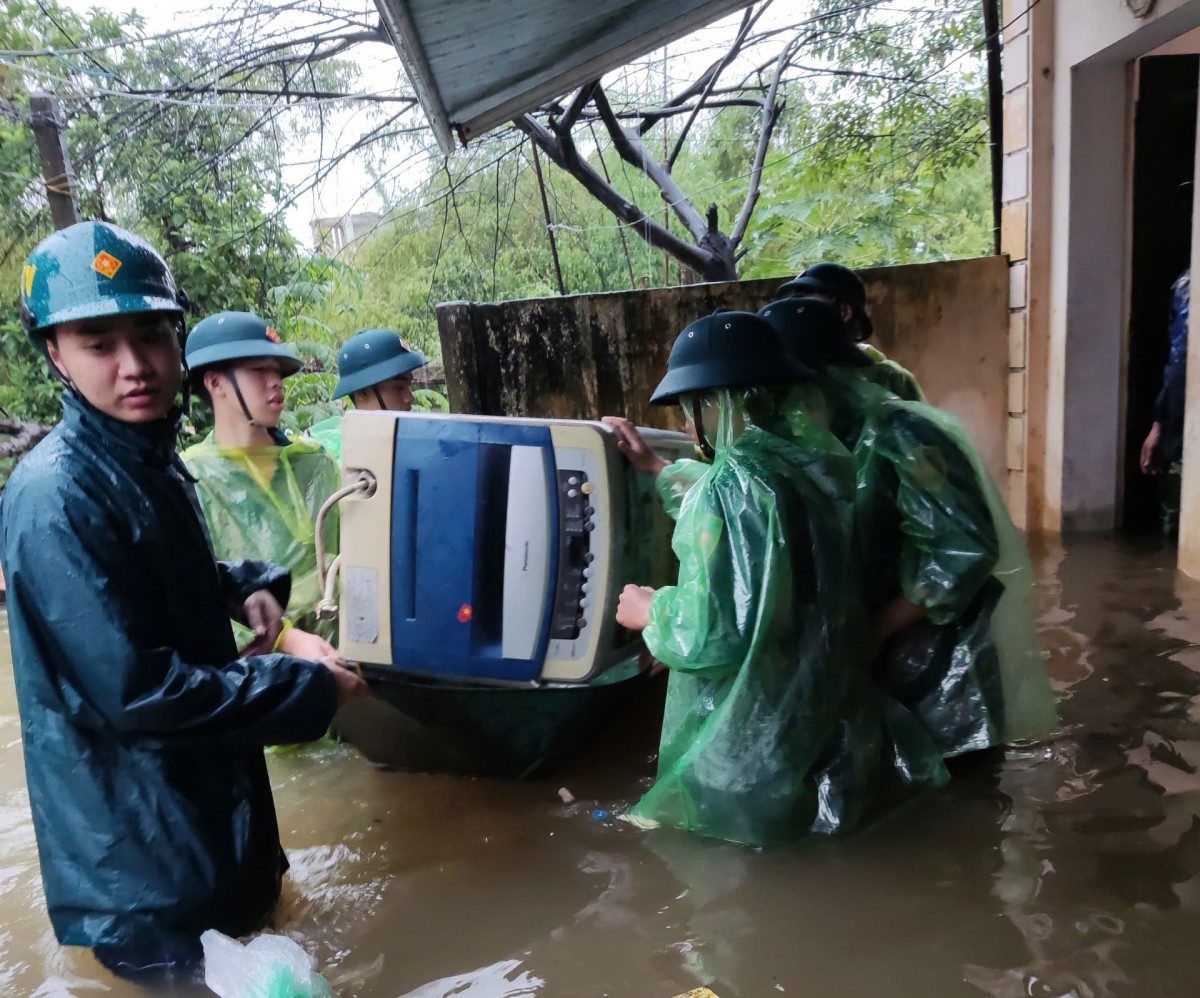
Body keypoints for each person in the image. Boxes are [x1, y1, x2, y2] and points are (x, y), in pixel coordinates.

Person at [0, 221, 367, 981]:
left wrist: (243, 588)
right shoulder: (53, 498)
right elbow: (138, 692)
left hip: (207, 832)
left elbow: (147, 577)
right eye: (99, 343)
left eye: (151, 336)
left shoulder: (147, 458)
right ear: (55, 356)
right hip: (144, 879)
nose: (135, 367)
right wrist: (306, 687)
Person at [611, 310, 946, 847]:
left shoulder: (728, 488)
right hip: (828, 725)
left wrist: (653, 611)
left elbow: (716, 637)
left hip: (752, 748)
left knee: (730, 891)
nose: (688, 424)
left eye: (690, 409)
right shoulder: (818, 468)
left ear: (712, 402)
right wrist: (658, 468)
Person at [758, 295, 1056, 757]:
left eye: (788, 392)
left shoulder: (902, 436)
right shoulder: (824, 445)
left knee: (962, 793)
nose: (783, 410)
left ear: (824, 378)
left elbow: (962, 551)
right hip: (876, 654)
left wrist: (876, 631)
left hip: (942, 661)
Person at [182, 312, 341, 652]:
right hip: (259, 679)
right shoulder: (191, 477)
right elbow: (194, 598)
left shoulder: (315, 464)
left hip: (349, 656)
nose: (276, 382)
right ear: (215, 383)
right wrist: (284, 639)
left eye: (278, 371)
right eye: (259, 370)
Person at [778, 261, 925, 402]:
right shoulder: (784, 372)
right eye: (796, 298)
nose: (796, 308)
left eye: (806, 299)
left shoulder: (890, 379)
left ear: (844, 312)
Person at [308, 327, 429, 462]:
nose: (409, 397)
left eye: (409, 386)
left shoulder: (416, 442)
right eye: (398, 388)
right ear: (362, 392)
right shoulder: (333, 458)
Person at [1139, 268, 1190, 537]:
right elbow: (1178, 358)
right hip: (1179, 430)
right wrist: (1159, 425)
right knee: (1174, 516)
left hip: (1179, 428)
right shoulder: (1185, 286)